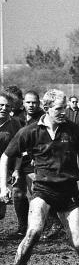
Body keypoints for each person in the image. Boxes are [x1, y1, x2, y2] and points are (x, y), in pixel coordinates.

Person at [1, 89, 79, 265]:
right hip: (42, 190)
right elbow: (5, 157)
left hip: (68, 192)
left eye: (66, 108)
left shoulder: (73, 130)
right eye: (59, 108)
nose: (64, 112)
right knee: (33, 232)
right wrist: (2, 186)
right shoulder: (31, 131)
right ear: (48, 108)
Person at [11, 90, 64, 240]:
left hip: (35, 161)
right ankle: (23, 227)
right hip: (17, 160)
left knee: (38, 191)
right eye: (28, 102)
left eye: (34, 102)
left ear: (39, 103)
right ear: (23, 103)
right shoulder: (17, 117)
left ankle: (53, 223)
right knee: (18, 194)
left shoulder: (43, 116)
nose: (31, 105)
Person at [0, 93, 24, 230]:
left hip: (6, 169)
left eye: (7, 106)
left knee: (1, 213)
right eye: (1, 105)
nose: (4, 108)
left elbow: (20, 150)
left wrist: (16, 169)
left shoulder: (15, 123)